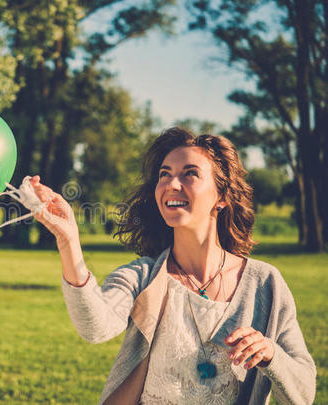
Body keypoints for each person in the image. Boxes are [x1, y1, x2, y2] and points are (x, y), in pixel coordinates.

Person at [30, 127, 316, 405]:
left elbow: (304, 393)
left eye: (189, 173)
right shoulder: (142, 277)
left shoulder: (265, 284)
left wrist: (270, 354)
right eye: (164, 174)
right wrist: (69, 241)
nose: (171, 184)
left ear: (222, 197)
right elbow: (95, 327)